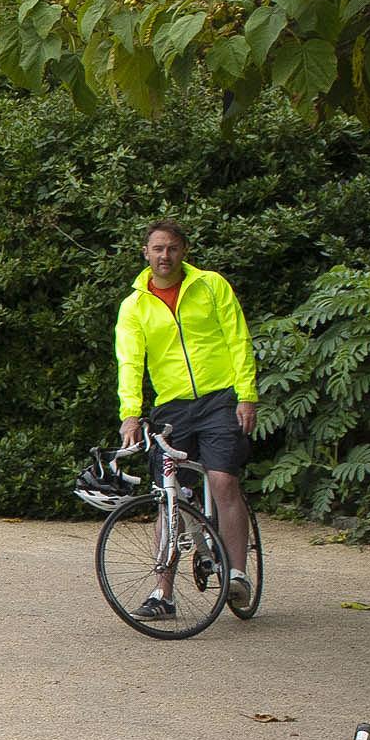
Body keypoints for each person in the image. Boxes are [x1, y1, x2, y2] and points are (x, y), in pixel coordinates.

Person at [112, 220, 260, 620]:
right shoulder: (135, 305)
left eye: (172, 249)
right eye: (158, 249)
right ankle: (163, 593)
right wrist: (130, 414)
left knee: (223, 479)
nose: (165, 256)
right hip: (172, 406)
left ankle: (237, 574)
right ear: (146, 253)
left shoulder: (212, 286)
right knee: (168, 494)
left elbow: (237, 338)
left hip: (218, 398)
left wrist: (246, 394)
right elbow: (130, 362)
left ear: (184, 251)